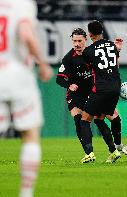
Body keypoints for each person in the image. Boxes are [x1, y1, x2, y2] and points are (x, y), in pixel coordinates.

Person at [0, 0, 53, 196]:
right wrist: (43, 63)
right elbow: (26, 35)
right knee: (30, 135)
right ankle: (26, 193)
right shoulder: (21, 4)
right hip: (18, 75)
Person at [56, 28, 124, 160]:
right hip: (76, 95)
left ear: (85, 40)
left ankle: (114, 149)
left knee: (104, 119)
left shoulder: (93, 53)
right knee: (79, 120)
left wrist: (117, 51)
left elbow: (111, 65)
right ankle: (89, 153)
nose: (77, 44)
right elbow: (59, 78)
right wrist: (69, 84)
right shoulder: (69, 58)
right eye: (74, 41)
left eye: (79, 41)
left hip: (93, 92)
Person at [79, 20, 122, 163]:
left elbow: (88, 68)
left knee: (84, 119)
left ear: (90, 34)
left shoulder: (88, 51)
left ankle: (89, 153)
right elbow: (115, 63)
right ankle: (114, 151)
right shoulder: (112, 45)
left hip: (100, 89)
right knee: (99, 119)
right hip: (115, 88)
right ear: (102, 31)